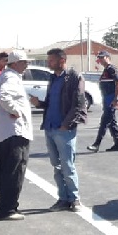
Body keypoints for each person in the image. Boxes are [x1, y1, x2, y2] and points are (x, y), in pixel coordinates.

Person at [30, 48, 88, 211]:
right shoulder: (52, 78)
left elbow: (78, 104)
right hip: (49, 127)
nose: (49, 63)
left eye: (52, 60)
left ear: (62, 60)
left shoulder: (74, 77)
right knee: (56, 166)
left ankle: (75, 199)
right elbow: (49, 102)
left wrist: (66, 124)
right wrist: (39, 104)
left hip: (64, 130)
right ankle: (63, 198)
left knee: (68, 166)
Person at [0, 50, 33, 220]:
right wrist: (15, 110)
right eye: (23, 62)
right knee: (14, 172)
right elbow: (1, 95)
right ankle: (8, 210)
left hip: (4, 133)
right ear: (15, 63)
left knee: (6, 171)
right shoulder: (11, 77)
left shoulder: (4, 76)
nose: (26, 65)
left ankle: (6, 207)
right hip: (15, 133)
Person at [87, 51, 118, 153]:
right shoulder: (106, 70)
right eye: (99, 58)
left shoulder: (112, 69)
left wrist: (116, 98)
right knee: (112, 123)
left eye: (102, 58)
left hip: (111, 100)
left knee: (104, 122)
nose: (100, 60)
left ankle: (96, 144)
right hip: (107, 100)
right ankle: (117, 144)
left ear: (107, 57)